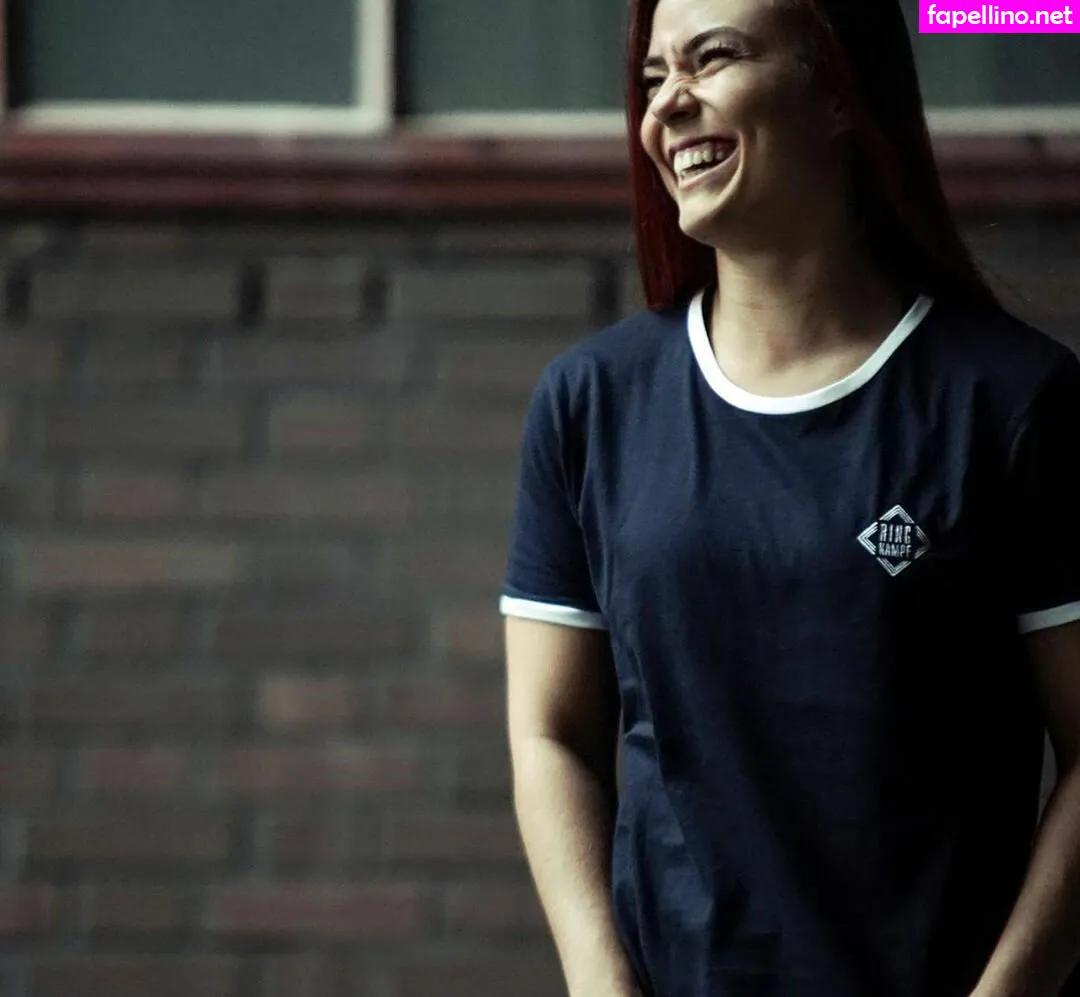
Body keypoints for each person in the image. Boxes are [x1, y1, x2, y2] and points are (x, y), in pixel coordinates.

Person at [499, 0, 1080, 995]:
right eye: (653, 78)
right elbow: (550, 732)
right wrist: (602, 980)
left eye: (713, 58)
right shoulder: (591, 403)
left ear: (840, 91)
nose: (667, 106)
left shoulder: (1013, 402)